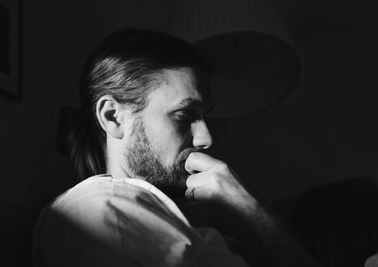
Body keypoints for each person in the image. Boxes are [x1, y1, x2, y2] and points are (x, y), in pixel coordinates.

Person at [33, 28, 319, 267]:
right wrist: (254, 216)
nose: (206, 139)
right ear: (113, 116)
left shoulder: (181, 217)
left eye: (204, 116)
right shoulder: (99, 206)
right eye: (184, 116)